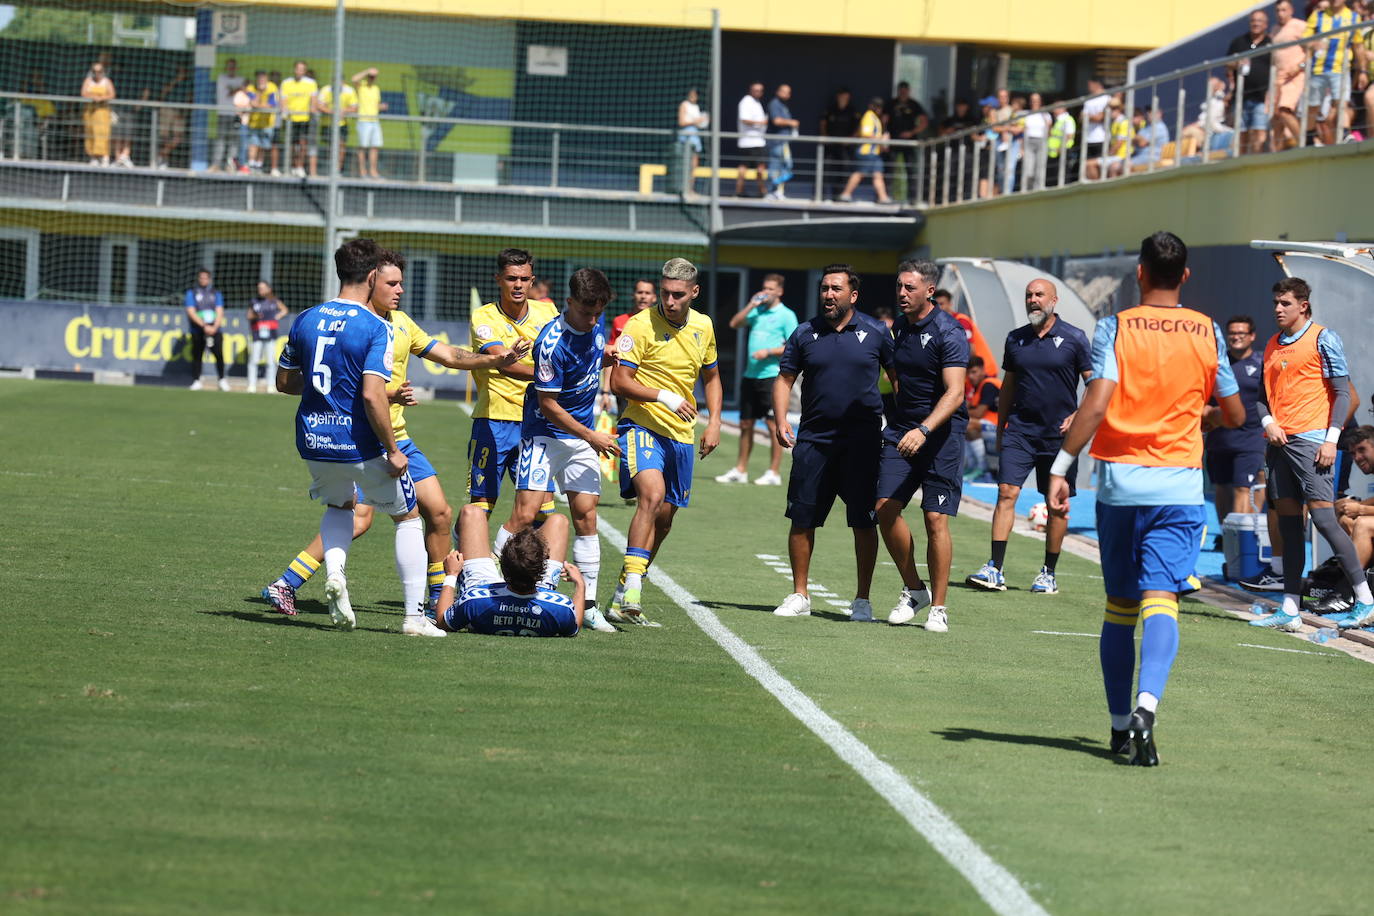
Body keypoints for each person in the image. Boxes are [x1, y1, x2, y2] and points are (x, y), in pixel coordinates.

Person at [1047, 230, 1245, 767]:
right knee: (1163, 600)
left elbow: (1096, 403)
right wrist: (1203, 414)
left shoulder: (1115, 326)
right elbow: (1234, 414)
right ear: (1185, 275)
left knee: (1120, 606)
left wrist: (1062, 467)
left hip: (1121, 484)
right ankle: (1146, 706)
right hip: (1179, 485)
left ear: (1139, 272)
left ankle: (1117, 727)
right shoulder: (1207, 329)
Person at [262, 250, 526, 622]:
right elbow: (354, 389)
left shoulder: (400, 323)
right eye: (392, 283)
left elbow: (448, 355)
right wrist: (387, 395)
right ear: (371, 282)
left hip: (396, 437)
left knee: (439, 512)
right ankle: (290, 583)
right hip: (365, 438)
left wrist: (495, 360)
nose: (400, 289)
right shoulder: (363, 326)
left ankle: (437, 598)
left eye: (401, 282)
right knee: (366, 519)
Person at [273, 239, 430, 634]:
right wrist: (393, 450)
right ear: (373, 275)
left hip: (313, 439)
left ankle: (335, 573)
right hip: (357, 442)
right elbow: (373, 395)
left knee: (341, 507)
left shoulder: (306, 318)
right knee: (408, 517)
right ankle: (414, 617)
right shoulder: (376, 326)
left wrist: (323, 390)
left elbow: (284, 383)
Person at [1248, 277, 1374, 631]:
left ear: (1303, 305)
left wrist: (1331, 440)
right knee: (1290, 528)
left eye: (1285, 303)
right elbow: (1261, 398)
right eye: (1276, 302)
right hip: (1278, 445)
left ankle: (1365, 600)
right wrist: (1269, 422)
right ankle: (1290, 609)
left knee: (1323, 520)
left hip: (1313, 443)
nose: (1278, 309)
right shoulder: (1272, 343)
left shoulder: (1323, 338)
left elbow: (1343, 394)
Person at [497, 268, 619, 633]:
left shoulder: (595, 326)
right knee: (525, 515)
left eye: (598, 313)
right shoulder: (551, 343)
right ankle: (488, 582)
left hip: (580, 438)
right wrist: (592, 435)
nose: (593, 319)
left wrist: (606, 355)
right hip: (545, 435)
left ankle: (590, 604)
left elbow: (587, 362)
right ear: (569, 303)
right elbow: (549, 405)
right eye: (586, 312)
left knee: (586, 516)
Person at [770, 265, 894, 620]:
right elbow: (784, 379)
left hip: (863, 443)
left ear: (852, 295)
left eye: (836, 289)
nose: (828, 294)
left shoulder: (876, 332)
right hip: (814, 441)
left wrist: (902, 425)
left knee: (864, 523)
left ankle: (863, 600)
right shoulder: (804, 332)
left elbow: (898, 379)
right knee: (802, 518)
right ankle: (800, 594)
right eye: (824, 288)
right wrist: (781, 419)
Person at [608, 257, 723, 626]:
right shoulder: (639, 325)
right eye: (665, 293)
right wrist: (665, 397)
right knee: (652, 496)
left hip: (681, 435)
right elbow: (618, 382)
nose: (669, 301)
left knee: (665, 519)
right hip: (641, 424)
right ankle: (635, 590)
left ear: (694, 292)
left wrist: (714, 422)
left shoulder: (704, 325)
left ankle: (623, 590)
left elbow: (712, 376)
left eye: (678, 295)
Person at [966, 279, 1091, 594]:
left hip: (1059, 437)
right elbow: (1008, 386)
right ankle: (995, 568)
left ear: (1054, 300)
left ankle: (1048, 573)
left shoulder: (1075, 338)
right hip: (1020, 431)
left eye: (1039, 295)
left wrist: (1078, 416)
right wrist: (1001, 429)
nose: (1033, 300)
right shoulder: (1015, 338)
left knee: (1056, 503)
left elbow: (1095, 384)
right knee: (1006, 492)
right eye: (1029, 295)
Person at [877, 259, 969, 630]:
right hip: (901, 430)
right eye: (899, 286)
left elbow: (956, 392)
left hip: (941, 436)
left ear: (929, 290)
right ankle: (915, 590)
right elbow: (896, 376)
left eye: (909, 288)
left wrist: (924, 429)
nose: (902, 293)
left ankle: (939, 608)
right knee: (884, 509)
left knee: (934, 519)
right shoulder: (899, 326)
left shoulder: (950, 331)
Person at [467, 249, 561, 517]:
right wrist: (550, 376)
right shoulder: (484, 317)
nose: (518, 285)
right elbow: (504, 364)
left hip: (537, 422)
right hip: (493, 420)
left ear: (532, 281)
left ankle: (526, 548)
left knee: (541, 511)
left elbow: (564, 352)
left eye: (523, 279)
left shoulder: (548, 312)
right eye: (511, 278)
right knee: (481, 507)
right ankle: (465, 544)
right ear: (498, 279)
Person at [434, 505, 583, 637]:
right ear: (542, 570)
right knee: (559, 521)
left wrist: (452, 574)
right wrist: (580, 585)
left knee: (471, 512)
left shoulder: (473, 600)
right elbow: (574, 625)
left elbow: (442, 621)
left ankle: (497, 563)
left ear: (503, 566)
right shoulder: (561, 607)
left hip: (484, 587)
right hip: (537, 592)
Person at [717, 273, 798, 486]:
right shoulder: (757, 311)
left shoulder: (786, 315)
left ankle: (773, 472)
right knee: (745, 424)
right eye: (765, 288)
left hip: (771, 376)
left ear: (780, 291)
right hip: (750, 375)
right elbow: (734, 323)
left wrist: (768, 352)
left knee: (772, 425)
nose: (766, 292)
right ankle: (741, 470)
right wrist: (751, 305)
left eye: (771, 289)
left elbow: (794, 346)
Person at [1202, 316, 1266, 523]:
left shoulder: (1262, 364)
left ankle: (1242, 535)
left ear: (1252, 336)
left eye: (1241, 333)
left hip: (1251, 438)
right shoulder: (1217, 363)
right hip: (1219, 438)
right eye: (1232, 333)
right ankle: (1227, 534)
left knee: (1243, 487)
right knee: (1221, 487)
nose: (1236, 337)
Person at [1303, 0, 1358, 146]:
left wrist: (1362, 70)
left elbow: (1358, 45)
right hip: (1318, 68)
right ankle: (1309, 136)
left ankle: (1345, 133)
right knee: (1313, 105)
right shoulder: (1317, 15)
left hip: (1340, 68)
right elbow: (1304, 40)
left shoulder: (1353, 17)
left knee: (1341, 101)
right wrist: (1313, 43)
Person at [1228, 9, 1273, 154]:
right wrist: (1237, 63)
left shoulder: (1271, 43)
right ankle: (1241, 163)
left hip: (1262, 97)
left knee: (1259, 132)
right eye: (1253, 20)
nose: (1256, 23)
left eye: (1259, 21)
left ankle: (1256, 163)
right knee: (1242, 134)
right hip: (1241, 97)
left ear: (1265, 24)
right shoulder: (1239, 42)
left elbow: (1277, 67)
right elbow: (1227, 63)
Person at [1271, 0, 1309, 150]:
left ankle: (1305, 145)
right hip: (1278, 79)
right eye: (1278, 10)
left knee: (1284, 110)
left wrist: (1300, 66)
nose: (1281, 14)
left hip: (1295, 77)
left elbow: (1312, 49)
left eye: (1284, 10)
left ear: (1291, 10)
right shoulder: (1274, 30)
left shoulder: (1299, 25)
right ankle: (1277, 154)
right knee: (1276, 118)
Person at [839, 97, 891, 203]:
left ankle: (883, 197)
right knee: (859, 173)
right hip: (866, 152)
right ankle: (845, 194)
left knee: (878, 175)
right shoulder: (869, 116)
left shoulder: (876, 118)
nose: (879, 109)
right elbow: (866, 134)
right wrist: (881, 138)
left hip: (875, 153)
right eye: (877, 107)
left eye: (880, 107)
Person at [885, 81, 929, 204]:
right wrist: (885, 134)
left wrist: (911, 133)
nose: (903, 92)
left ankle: (912, 198)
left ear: (909, 91)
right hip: (893, 141)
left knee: (911, 170)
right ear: (898, 91)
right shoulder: (891, 104)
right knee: (890, 169)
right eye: (901, 89)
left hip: (909, 142)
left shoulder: (914, 104)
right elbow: (884, 120)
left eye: (905, 90)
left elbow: (924, 122)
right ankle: (887, 196)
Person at [185, 269, 228, 391]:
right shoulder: (192, 293)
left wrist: (214, 327)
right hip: (198, 330)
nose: (203, 280)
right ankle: (197, 380)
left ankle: (221, 380)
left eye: (205, 278)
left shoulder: (216, 293)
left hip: (214, 330)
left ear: (209, 279)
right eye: (201, 278)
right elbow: (191, 311)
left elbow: (219, 311)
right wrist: (204, 326)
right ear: (198, 279)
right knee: (197, 355)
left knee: (219, 355)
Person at [246, 281, 288, 393]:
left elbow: (284, 310)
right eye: (259, 288)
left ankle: (270, 385)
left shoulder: (274, 301)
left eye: (263, 288)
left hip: (270, 334)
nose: (261, 290)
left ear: (269, 289)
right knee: (254, 360)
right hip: (257, 334)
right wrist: (255, 316)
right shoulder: (254, 301)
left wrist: (277, 316)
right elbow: (249, 315)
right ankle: (252, 384)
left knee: (270, 360)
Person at [964, 356, 1001, 481]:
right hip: (990, 428)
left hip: (1004, 429)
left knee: (969, 425)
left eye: (974, 372)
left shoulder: (989, 384)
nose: (970, 376)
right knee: (961, 423)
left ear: (982, 370)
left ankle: (981, 468)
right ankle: (972, 466)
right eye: (968, 373)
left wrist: (958, 411)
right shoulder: (976, 387)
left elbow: (979, 413)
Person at [279, 61, 318, 178]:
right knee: (291, 144)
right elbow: (283, 101)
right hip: (290, 120)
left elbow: (314, 101)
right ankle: (292, 166)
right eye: (298, 69)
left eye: (302, 69)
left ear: (305, 71)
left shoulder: (311, 83)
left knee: (302, 144)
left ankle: (300, 166)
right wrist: (285, 112)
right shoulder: (286, 83)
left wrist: (312, 109)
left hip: (304, 119)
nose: (299, 71)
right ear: (294, 69)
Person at [821, 88, 861, 201]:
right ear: (838, 97)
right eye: (842, 96)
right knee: (825, 168)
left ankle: (839, 195)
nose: (843, 99)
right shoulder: (831, 109)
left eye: (846, 97)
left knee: (844, 169)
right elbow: (823, 123)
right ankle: (822, 195)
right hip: (831, 144)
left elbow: (858, 128)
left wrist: (851, 139)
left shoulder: (852, 110)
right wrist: (825, 136)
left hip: (845, 146)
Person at [315, 76, 357, 176]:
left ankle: (337, 170)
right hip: (328, 124)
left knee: (341, 147)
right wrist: (332, 112)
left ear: (343, 82)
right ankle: (330, 169)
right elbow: (319, 105)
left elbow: (355, 108)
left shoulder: (349, 90)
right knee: (331, 147)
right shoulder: (326, 90)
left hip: (342, 124)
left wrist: (344, 110)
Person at [350, 67, 387, 179]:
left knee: (375, 147)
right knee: (363, 147)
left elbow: (375, 105)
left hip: (375, 121)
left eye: (373, 77)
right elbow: (354, 79)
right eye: (370, 76)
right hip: (363, 121)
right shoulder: (361, 86)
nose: (372, 78)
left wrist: (381, 106)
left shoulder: (376, 89)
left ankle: (373, 172)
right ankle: (363, 172)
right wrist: (367, 71)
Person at [735, 82, 768, 197]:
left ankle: (761, 192)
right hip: (748, 142)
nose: (758, 92)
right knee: (748, 167)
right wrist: (761, 123)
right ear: (750, 90)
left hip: (758, 141)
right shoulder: (746, 102)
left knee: (760, 168)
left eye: (760, 90)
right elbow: (744, 119)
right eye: (756, 90)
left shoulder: (757, 102)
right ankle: (740, 191)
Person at [765, 84, 799, 200]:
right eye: (783, 91)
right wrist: (791, 122)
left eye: (788, 92)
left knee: (786, 166)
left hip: (783, 141)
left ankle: (778, 191)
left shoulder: (784, 105)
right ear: (778, 91)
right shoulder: (774, 104)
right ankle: (771, 191)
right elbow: (776, 121)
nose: (786, 94)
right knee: (775, 166)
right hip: (776, 142)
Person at [80, 61, 115, 167]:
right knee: (90, 133)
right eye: (94, 71)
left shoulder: (106, 81)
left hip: (102, 112)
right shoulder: (88, 81)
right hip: (90, 112)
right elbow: (83, 93)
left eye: (100, 71)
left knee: (103, 134)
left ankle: (104, 157)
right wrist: (92, 97)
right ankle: (93, 157)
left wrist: (101, 98)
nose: (97, 73)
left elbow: (112, 94)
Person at [212, 58, 245, 171]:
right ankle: (216, 164)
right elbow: (230, 93)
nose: (231, 69)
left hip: (236, 114)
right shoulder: (222, 78)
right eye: (229, 66)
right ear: (226, 68)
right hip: (223, 113)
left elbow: (245, 90)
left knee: (233, 141)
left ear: (237, 68)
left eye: (233, 66)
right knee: (220, 139)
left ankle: (230, 165)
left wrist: (241, 88)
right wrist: (239, 88)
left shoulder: (241, 79)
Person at [245, 70, 280, 175]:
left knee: (263, 145)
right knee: (253, 143)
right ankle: (251, 165)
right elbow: (253, 103)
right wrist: (260, 92)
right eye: (259, 79)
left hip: (267, 123)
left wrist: (259, 106)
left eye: (264, 79)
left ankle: (259, 165)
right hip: (254, 122)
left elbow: (271, 104)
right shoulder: (250, 88)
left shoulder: (272, 88)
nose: (261, 81)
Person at [677, 87, 708, 193]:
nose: (693, 96)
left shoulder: (696, 107)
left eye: (695, 95)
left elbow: (698, 123)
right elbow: (681, 122)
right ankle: (682, 188)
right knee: (685, 164)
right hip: (686, 137)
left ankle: (690, 188)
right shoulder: (684, 105)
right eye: (691, 94)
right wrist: (695, 121)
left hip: (695, 137)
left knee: (694, 165)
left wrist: (702, 121)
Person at [1019, 92, 1052, 191]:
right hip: (1028, 143)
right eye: (1033, 100)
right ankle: (1027, 190)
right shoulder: (1025, 114)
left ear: (1040, 102)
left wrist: (1044, 117)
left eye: (1037, 100)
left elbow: (1049, 132)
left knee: (1040, 169)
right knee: (1028, 171)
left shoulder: (1046, 115)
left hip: (1041, 142)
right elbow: (1022, 132)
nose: (1035, 102)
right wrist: (1021, 148)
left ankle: (1038, 190)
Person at [1081, 78, 1110, 180]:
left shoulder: (1106, 98)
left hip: (1102, 138)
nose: (1088, 87)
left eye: (1090, 85)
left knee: (1100, 167)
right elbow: (1081, 117)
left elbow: (1100, 118)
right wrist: (1093, 117)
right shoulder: (1088, 99)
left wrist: (1088, 117)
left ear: (1097, 84)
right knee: (1087, 166)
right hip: (1088, 139)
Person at [1046, 99, 1078, 187]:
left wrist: (1061, 148)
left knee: (1063, 177)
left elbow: (1069, 135)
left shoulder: (1067, 119)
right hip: (1054, 153)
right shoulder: (1057, 121)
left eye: (1056, 107)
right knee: (1054, 178)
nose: (1053, 110)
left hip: (1062, 151)